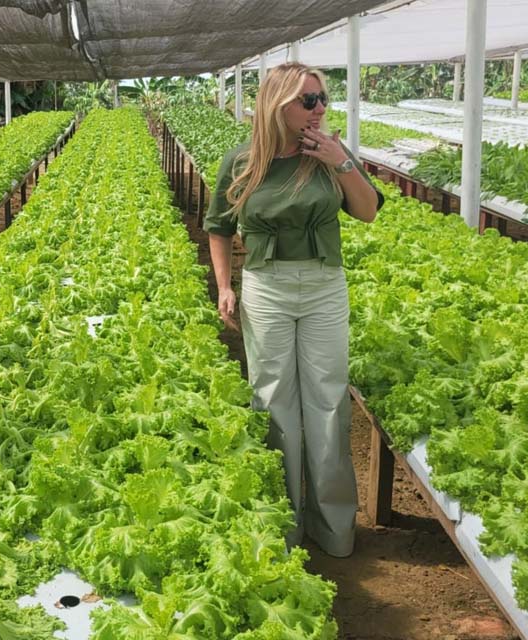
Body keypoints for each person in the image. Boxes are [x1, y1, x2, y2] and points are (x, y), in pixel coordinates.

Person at [204, 62, 384, 558]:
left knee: (328, 400)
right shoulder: (242, 161)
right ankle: (283, 523)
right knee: (273, 400)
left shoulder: (330, 153)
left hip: (324, 285)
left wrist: (340, 161)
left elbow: (368, 211)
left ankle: (334, 527)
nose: (319, 108)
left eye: (322, 98)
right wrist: (225, 286)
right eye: (308, 100)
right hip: (267, 285)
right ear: (277, 104)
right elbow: (218, 227)